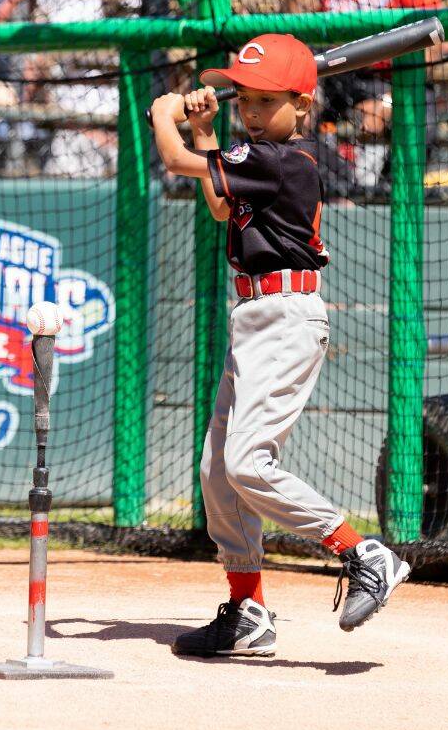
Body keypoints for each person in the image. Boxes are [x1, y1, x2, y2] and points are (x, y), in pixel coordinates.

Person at [149, 35, 411, 657]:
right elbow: (219, 204)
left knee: (246, 463)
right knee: (218, 472)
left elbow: (177, 163)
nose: (254, 111)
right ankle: (248, 609)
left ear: (302, 106)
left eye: (270, 101)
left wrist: (166, 118)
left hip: (288, 317)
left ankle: (363, 552)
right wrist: (208, 133)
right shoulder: (254, 155)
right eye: (246, 99)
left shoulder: (286, 159)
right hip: (254, 315)